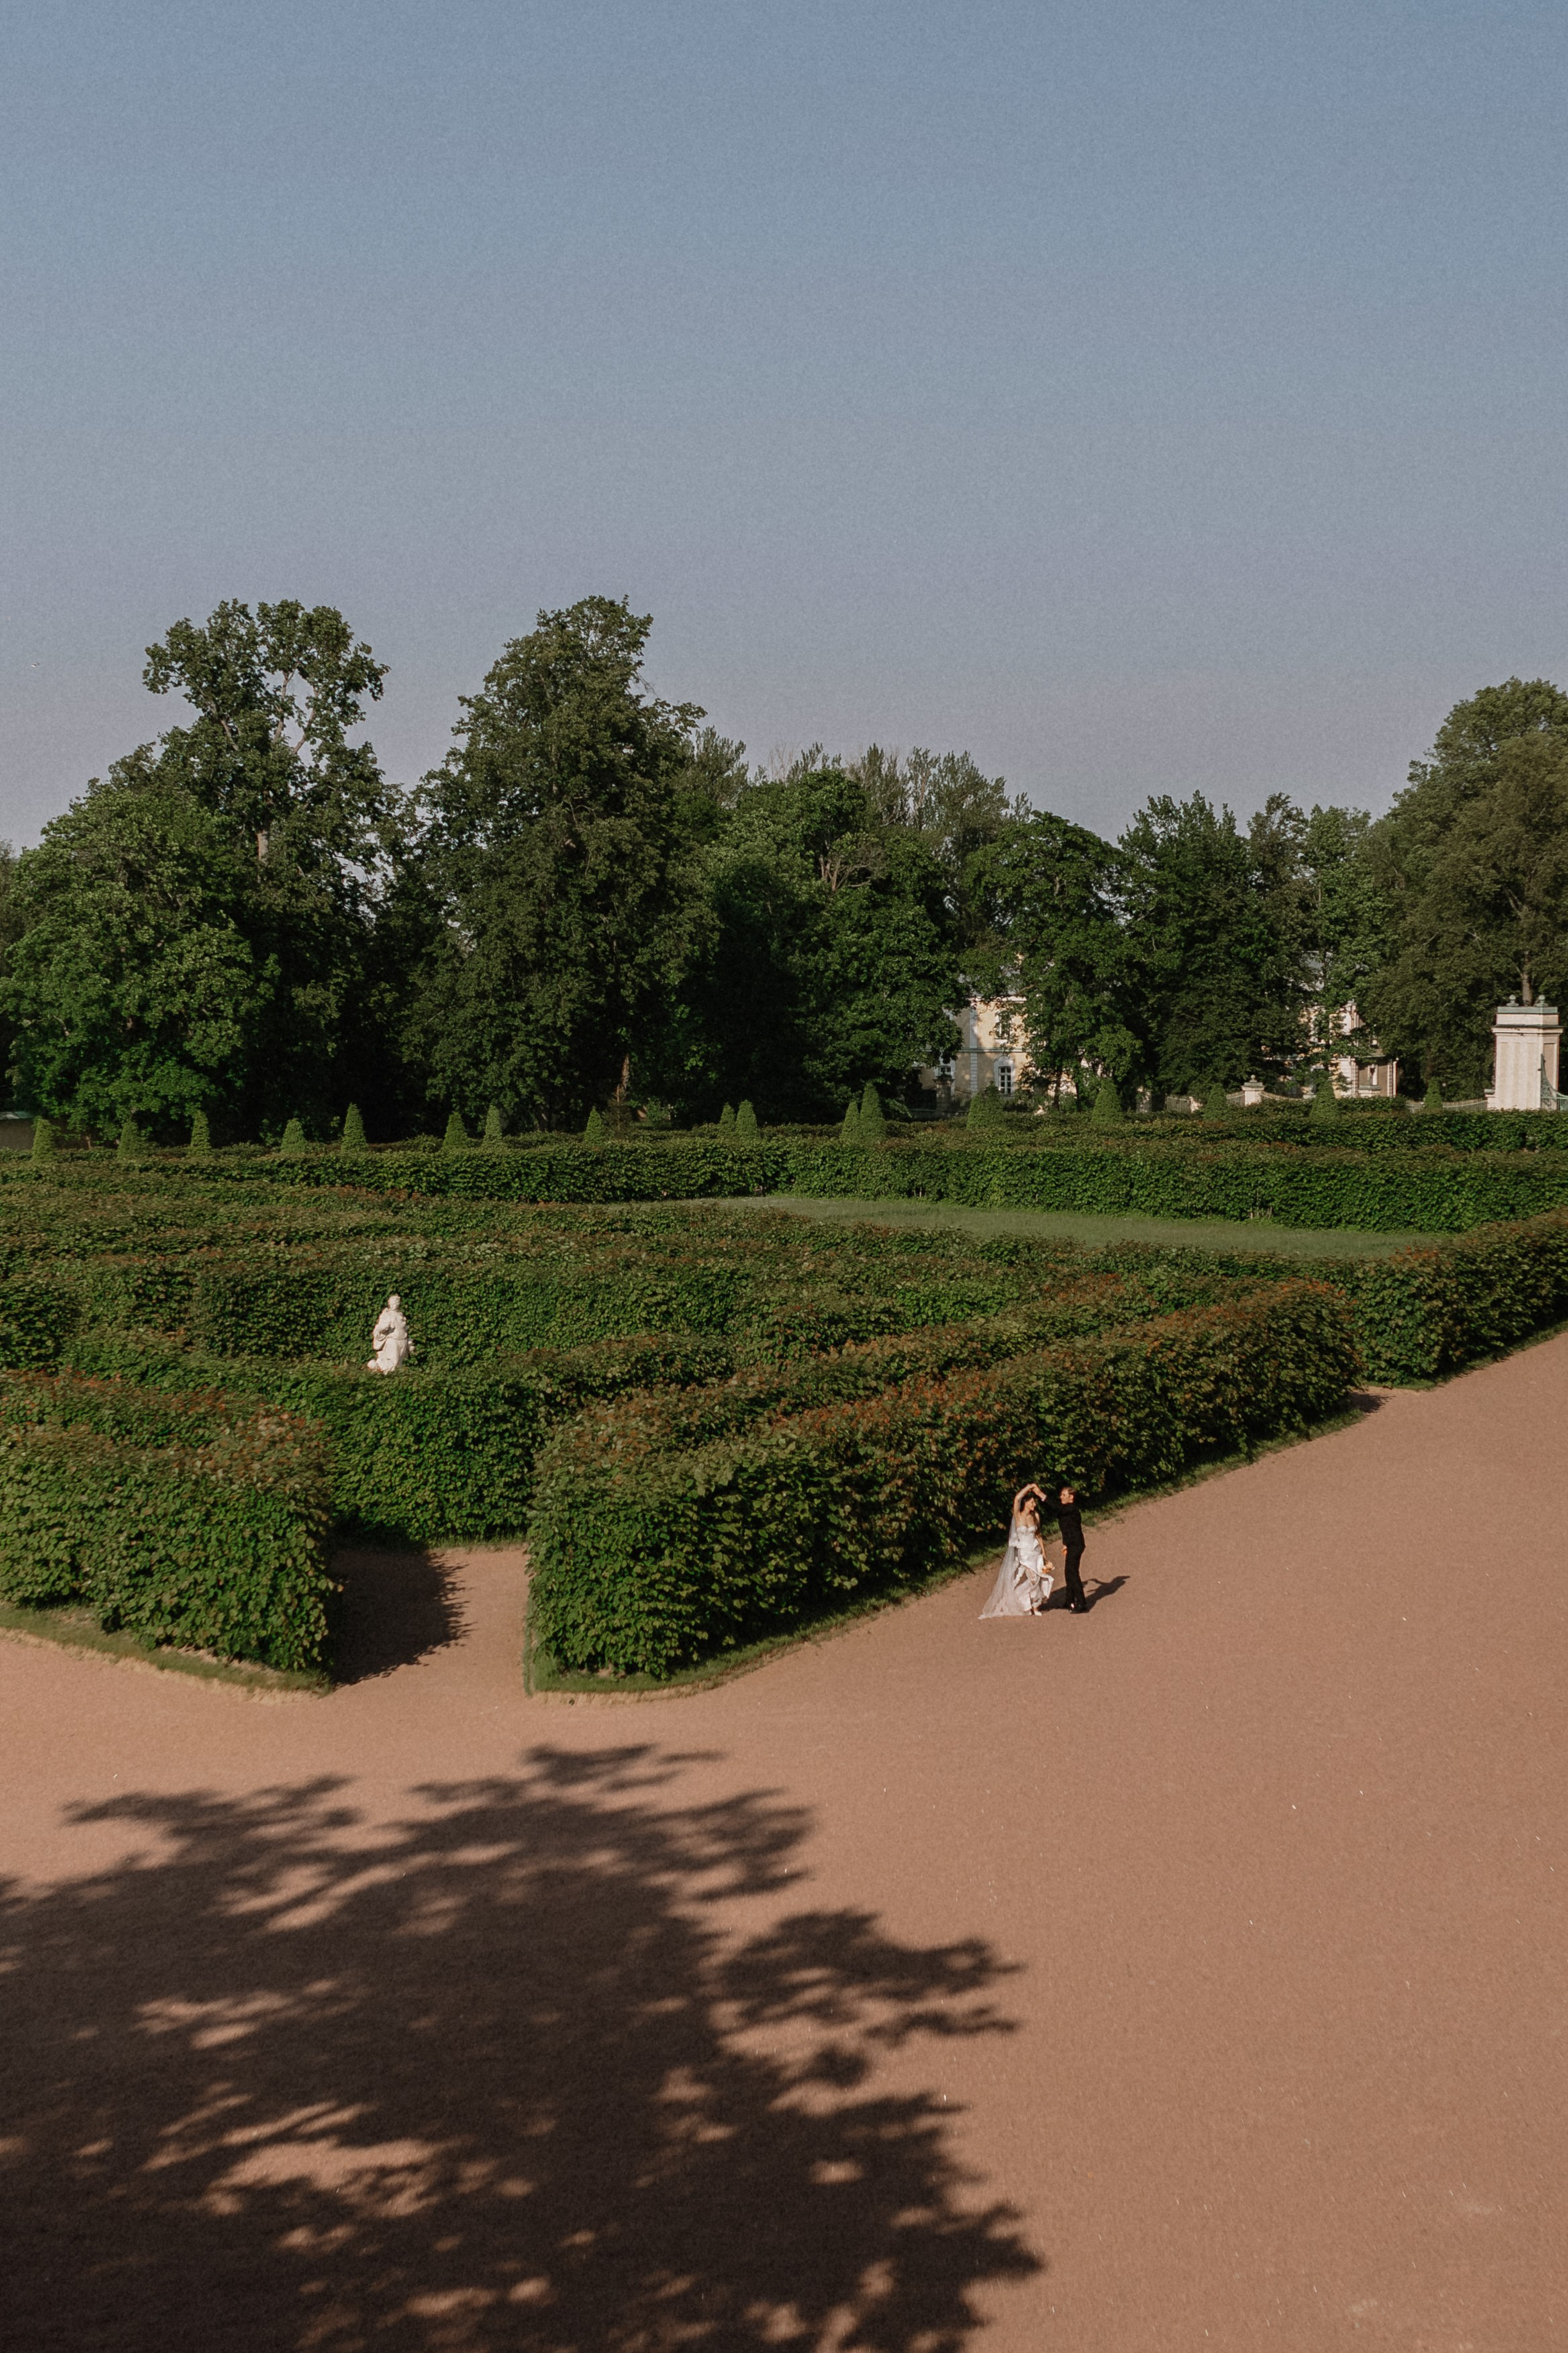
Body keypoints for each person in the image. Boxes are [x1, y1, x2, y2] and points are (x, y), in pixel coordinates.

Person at [979, 1484, 1052, 1618]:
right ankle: (1024, 1602)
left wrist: (1044, 1553)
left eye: (1034, 1502)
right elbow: (1017, 1499)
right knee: (1033, 1577)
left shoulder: (1036, 1516)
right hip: (1024, 1553)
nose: (1034, 1505)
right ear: (1026, 1503)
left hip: (1035, 1551)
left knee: (1039, 1577)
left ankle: (1035, 1605)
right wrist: (1029, 1487)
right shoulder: (1018, 1516)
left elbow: (1038, 1535)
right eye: (1032, 1502)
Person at [1055, 1481, 1088, 1612]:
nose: (1061, 1497)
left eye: (1064, 1495)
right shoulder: (1066, 1510)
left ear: (1071, 1497)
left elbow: (1057, 1508)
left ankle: (1081, 1603)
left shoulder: (1072, 1508)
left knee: (1073, 1573)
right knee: (1069, 1572)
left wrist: (1041, 1495)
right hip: (1072, 1544)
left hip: (1077, 1545)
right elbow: (1068, 1528)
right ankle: (1069, 1601)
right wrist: (1065, 1544)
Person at [366, 1294, 413, 1374]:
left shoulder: (400, 1314)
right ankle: (378, 1368)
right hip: (392, 1340)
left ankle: (395, 1379)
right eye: (392, 1304)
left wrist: (409, 1342)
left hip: (402, 1340)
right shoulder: (386, 1315)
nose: (393, 1305)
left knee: (399, 1363)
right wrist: (384, 1328)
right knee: (393, 1362)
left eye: (395, 1303)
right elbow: (378, 1330)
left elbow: (404, 1329)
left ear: (398, 1304)